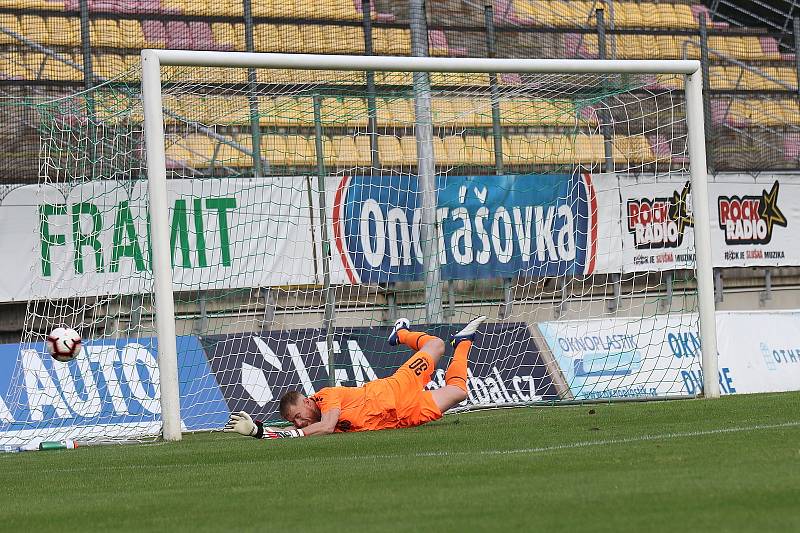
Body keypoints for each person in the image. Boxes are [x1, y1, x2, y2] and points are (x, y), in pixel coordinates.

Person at [223, 315, 486, 439]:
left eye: (298, 417)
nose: (300, 423)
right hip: (405, 416)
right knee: (459, 392)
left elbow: (324, 427)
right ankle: (463, 342)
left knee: (437, 345)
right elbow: (296, 431)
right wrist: (258, 432)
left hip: (397, 387)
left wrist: (292, 433)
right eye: (295, 421)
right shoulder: (310, 421)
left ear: (306, 401)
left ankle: (400, 334)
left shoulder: (327, 398)